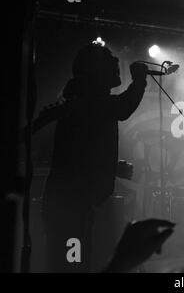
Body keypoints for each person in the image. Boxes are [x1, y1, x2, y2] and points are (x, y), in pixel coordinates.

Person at [41, 43, 149, 272]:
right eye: (109, 59)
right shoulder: (92, 101)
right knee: (74, 262)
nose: (115, 64)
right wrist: (139, 80)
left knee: (76, 259)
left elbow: (82, 151)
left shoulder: (82, 101)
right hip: (71, 206)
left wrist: (111, 166)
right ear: (95, 70)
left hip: (73, 203)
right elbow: (123, 107)